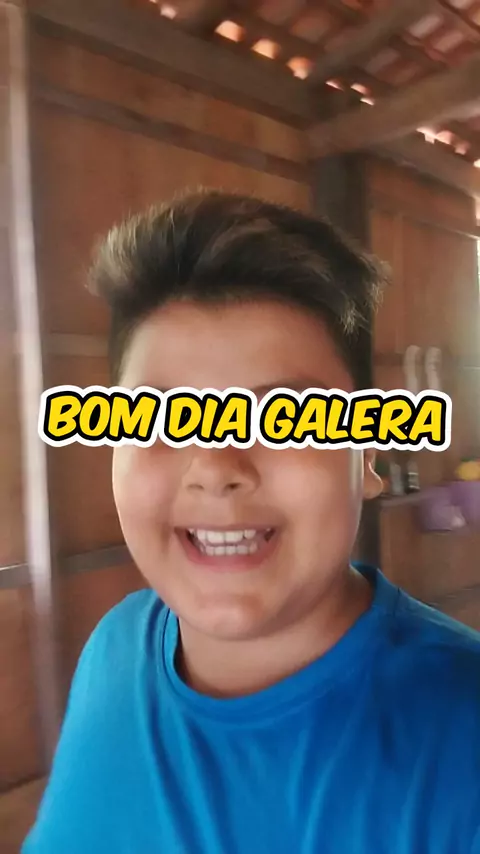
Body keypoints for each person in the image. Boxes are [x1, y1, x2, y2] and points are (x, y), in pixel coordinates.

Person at [24, 191, 480, 854]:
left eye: (286, 417)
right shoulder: (113, 649)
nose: (216, 467)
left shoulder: (460, 740)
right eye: (159, 417)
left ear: (369, 457)